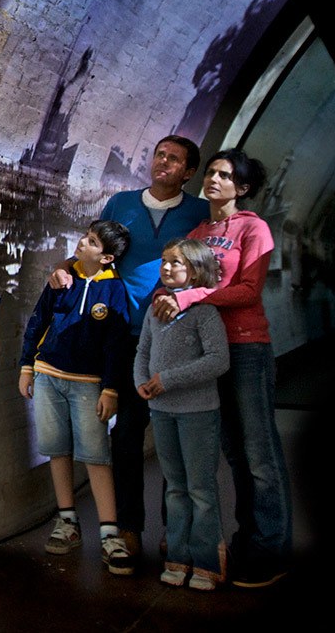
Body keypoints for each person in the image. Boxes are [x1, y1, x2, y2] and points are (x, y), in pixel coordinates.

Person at [50, 135, 209, 557]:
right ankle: (129, 527)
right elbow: (95, 250)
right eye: (160, 154)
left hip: (175, 338)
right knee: (125, 437)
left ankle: (174, 533)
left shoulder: (199, 212)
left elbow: (210, 270)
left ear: (189, 172)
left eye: (174, 159)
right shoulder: (121, 204)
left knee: (175, 442)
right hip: (123, 335)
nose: (163, 162)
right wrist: (64, 270)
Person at [152, 148, 291, 588]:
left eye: (224, 175)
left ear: (242, 188)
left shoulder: (254, 228)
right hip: (205, 352)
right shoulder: (198, 230)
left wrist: (191, 297)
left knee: (259, 454)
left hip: (247, 349)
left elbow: (247, 290)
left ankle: (270, 549)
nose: (213, 179)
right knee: (232, 451)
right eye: (210, 172)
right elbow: (181, 279)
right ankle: (242, 539)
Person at [20, 219, 134, 575]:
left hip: (88, 384)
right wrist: (27, 366)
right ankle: (67, 521)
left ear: (108, 257)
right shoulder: (61, 280)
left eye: (92, 242)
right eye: (85, 237)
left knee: (96, 455)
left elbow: (118, 345)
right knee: (57, 450)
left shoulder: (114, 292)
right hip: (50, 376)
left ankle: (109, 533)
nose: (82, 243)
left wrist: (111, 388)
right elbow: (37, 322)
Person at [134, 239, 229, 590]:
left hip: (197, 412)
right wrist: (141, 381)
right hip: (161, 411)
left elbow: (218, 360)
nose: (167, 267)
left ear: (197, 269)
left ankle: (206, 561)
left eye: (176, 262)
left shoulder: (204, 311)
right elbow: (143, 350)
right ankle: (177, 555)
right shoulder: (155, 308)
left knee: (200, 488)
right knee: (174, 486)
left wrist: (168, 380)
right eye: (164, 261)